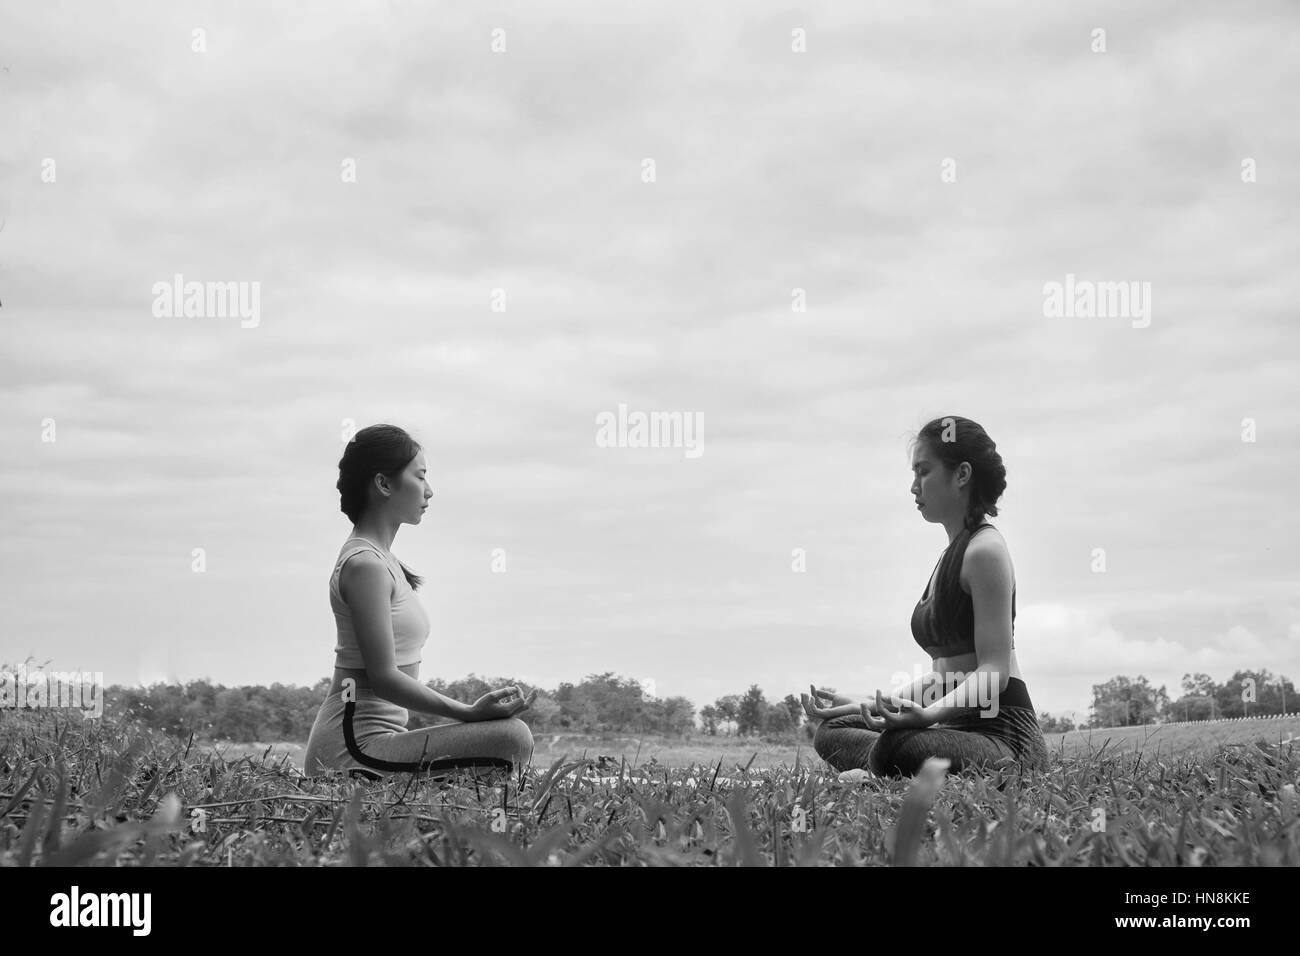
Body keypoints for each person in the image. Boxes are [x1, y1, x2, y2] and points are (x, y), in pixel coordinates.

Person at [802, 416, 1048, 777]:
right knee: (832, 732)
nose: (913, 486)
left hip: (1004, 738)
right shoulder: (951, 555)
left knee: (897, 745)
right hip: (955, 730)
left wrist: (930, 716)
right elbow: (942, 679)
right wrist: (865, 705)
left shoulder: (986, 551)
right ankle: (883, 770)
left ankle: (874, 774)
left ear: (961, 474)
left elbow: (994, 669)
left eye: (923, 472)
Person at [303, 424, 536, 781]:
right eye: (420, 476)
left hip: (377, 743)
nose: (429, 491)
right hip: (349, 749)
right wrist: (468, 713)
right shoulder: (364, 565)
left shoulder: (383, 561)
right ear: (383, 484)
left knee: (510, 738)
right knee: (511, 737)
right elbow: (383, 679)